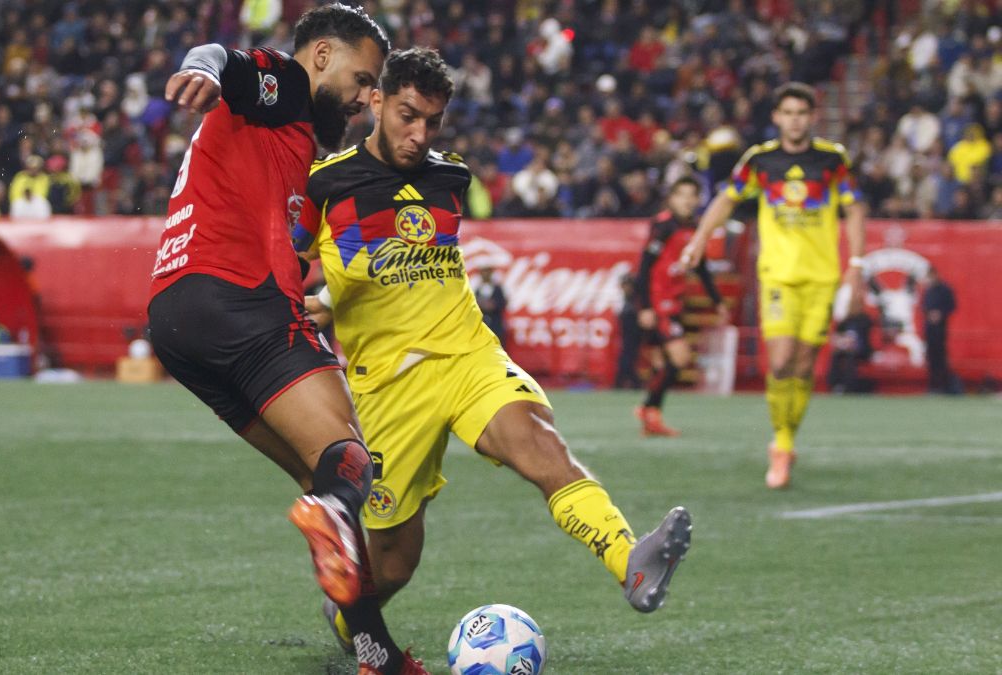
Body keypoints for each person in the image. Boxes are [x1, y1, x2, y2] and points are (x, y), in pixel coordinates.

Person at [295, 49, 692, 653]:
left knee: (542, 444)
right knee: (395, 561)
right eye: (407, 115)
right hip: (388, 387)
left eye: (433, 121)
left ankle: (629, 561)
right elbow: (293, 267)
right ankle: (349, 620)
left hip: (467, 354)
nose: (420, 134)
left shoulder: (450, 178)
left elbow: (412, 262)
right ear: (376, 101)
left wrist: (338, 292)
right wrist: (318, 302)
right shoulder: (325, 184)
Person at [144, 8, 425, 674]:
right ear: (322, 55)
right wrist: (203, 66)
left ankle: (375, 653)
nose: (365, 98)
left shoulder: (287, 139)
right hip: (239, 297)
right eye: (363, 79)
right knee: (350, 460)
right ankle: (337, 531)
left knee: (319, 472)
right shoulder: (290, 87)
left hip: (175, 314)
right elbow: (233, 63)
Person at [682, 82, 867, 489]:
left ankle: (787, 439)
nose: (795, 121)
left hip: (822, 277)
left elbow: (854, 209)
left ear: (811, 118)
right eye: (788, 113)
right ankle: (781, 446)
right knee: (781, 362)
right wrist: (699, 239)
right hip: (778, 275)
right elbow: (727, 198)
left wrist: (855, 265)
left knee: (804, 365)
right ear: (777, 118)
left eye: (802, 113)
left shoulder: (832, 160)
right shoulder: (760, 160)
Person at [633, 176, 727, 436]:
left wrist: (717, 301)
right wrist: (645, 306)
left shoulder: (695, 229)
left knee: (663, 364)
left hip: (674, 302)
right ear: (671, 199)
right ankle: (648, 409)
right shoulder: (663, 226)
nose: (686, 201)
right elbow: (644, 268)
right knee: (680, 357)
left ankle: (650, 415)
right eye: (681, 195)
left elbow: (701, 267)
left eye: (691, 196)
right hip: (659, 304)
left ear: (698, 200)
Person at [922, 267, 958, 393]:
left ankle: (943, 386)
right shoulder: (928, 291)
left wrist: (940, 314)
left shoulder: (945, 290)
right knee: (931, 358)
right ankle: (933, 386)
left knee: (940, 358)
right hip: (929, 330)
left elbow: (952, 306)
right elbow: (923, 307)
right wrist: (929, 314)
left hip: (940, 330)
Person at [473, 266, 507, 347]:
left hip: (496, 326)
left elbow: (503, 303)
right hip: (483, 327)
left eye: (487, 271)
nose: (485, 274)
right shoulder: (477, 289)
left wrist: (493, 305)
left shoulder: (497, 288)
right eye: (483, 271)